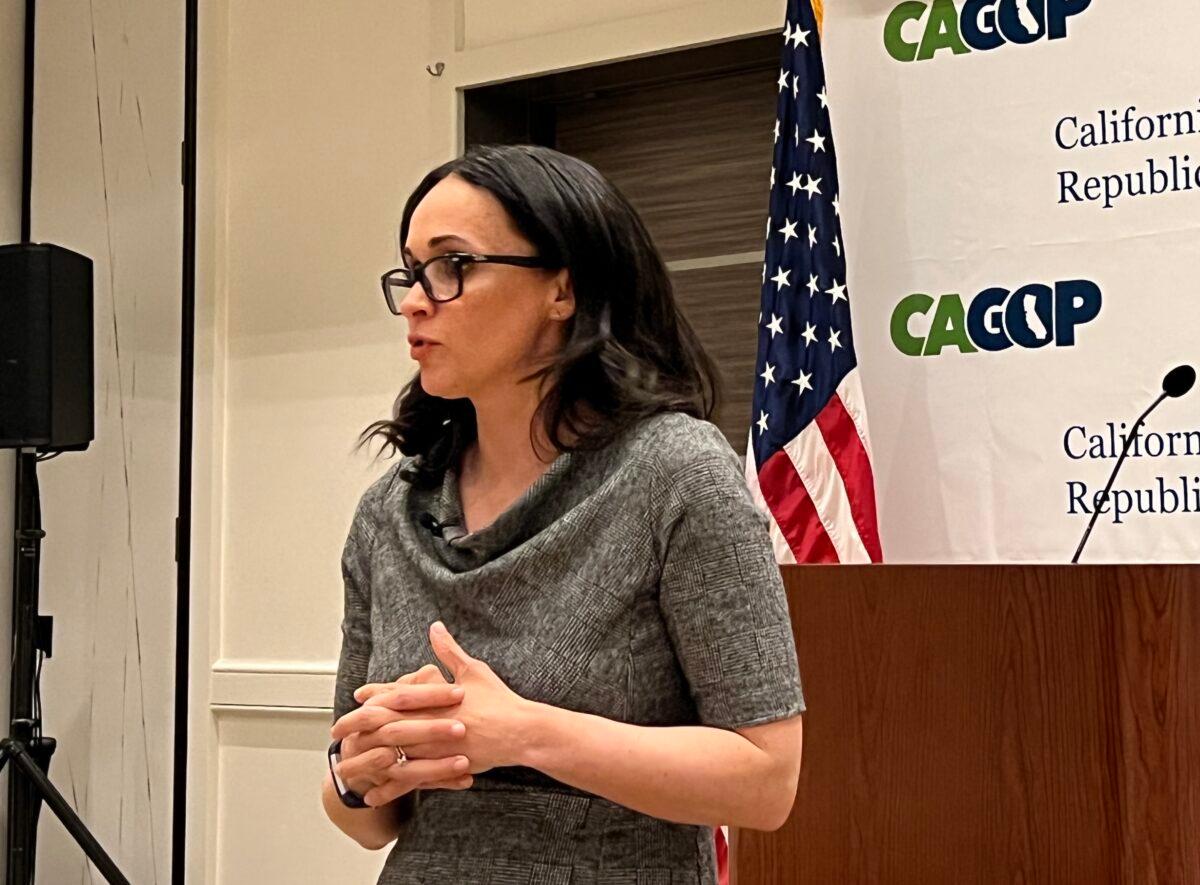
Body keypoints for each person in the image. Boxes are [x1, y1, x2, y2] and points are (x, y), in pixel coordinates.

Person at [321, 143, 806, 884]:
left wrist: (525, 734)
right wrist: (355, 775)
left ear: (562, 289)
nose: (417, 299)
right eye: (411, 272)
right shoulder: (390, 510)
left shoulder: (674, 472)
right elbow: (364, 817)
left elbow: (766, 778)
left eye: (453, 266)